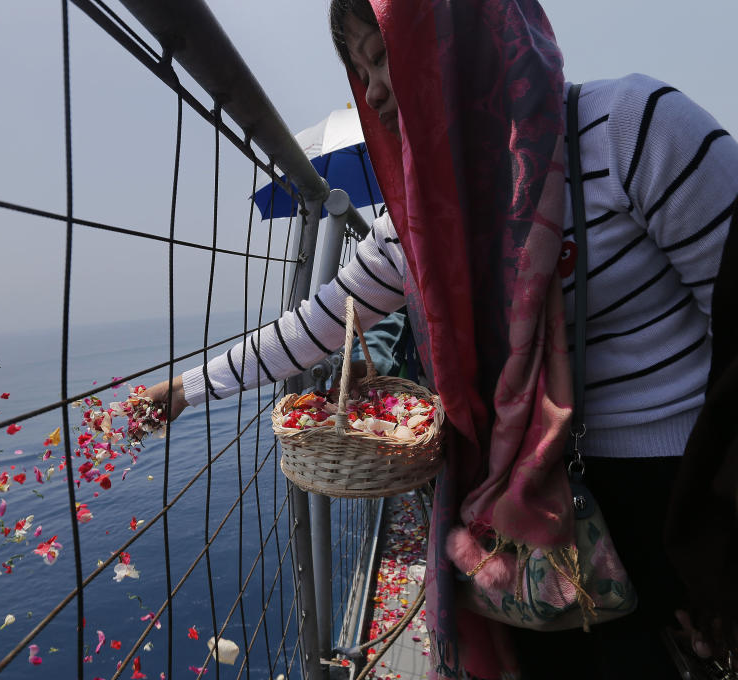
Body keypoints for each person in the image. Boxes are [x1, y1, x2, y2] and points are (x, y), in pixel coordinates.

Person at [146, 1, 738, 677]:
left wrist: (723, 533)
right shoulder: (418, 221)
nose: (370, 90)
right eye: (359, 69)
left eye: (386, 54)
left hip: (680, 489)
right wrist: (188, 389)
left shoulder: (634, 130)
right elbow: (317, 324)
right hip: (522, 507)